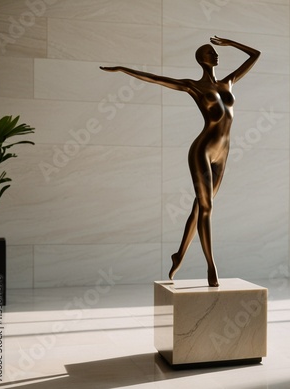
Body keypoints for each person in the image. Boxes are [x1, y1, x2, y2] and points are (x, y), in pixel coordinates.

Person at [100, 36, 260, 287]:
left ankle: (179, 255)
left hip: (223, 153)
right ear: (201, 59)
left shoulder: (228, 82)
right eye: (210, 52)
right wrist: (123, 70)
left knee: (200, 207)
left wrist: (229, 42)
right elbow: (155, 78)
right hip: (203, 150)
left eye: (214, 51)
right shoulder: (194, 86)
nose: (215, 54)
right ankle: (211, 266)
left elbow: (255, 54)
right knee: (207, 208)